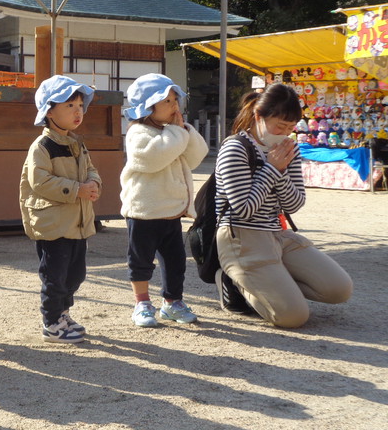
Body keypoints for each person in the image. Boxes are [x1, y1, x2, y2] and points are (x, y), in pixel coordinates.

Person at [215, 83, 353, 328]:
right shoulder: (235, 147)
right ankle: (233, 282)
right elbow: (244, 209)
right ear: (258, 116)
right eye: (280, 125)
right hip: (241, 236)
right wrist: (272, 169)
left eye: (290, 128)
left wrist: (279, 171)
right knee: (292, 317)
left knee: (339, 289)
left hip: (276, 233)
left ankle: (272, 283)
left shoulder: (289, 148)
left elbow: (295, 202)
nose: (285, 133)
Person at [120, 73, 209, 327]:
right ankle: (142, 303)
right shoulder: (138, 132)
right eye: (167, 101)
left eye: (175, 100)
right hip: (143, 211)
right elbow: (153, 158)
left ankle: (172, 302)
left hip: (170, 211)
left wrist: (185, 131)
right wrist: (178, 133)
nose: (174, 106)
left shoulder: (174, 131)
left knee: (175, 261)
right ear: (148, 107)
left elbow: (196, 156)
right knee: (140, 261)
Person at [20, 75, 101, 344]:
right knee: (54, 276)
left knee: (75, 274)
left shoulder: (77, 143)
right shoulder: (41, 146)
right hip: (53, 225)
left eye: (80, 105)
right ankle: (52, 322)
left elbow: (91, 169)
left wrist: (94, 183)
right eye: (70, 105)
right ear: (49, 111)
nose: (78, 111)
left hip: (77, 222)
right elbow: (40, 181)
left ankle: (63, 314)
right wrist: (77, 189)